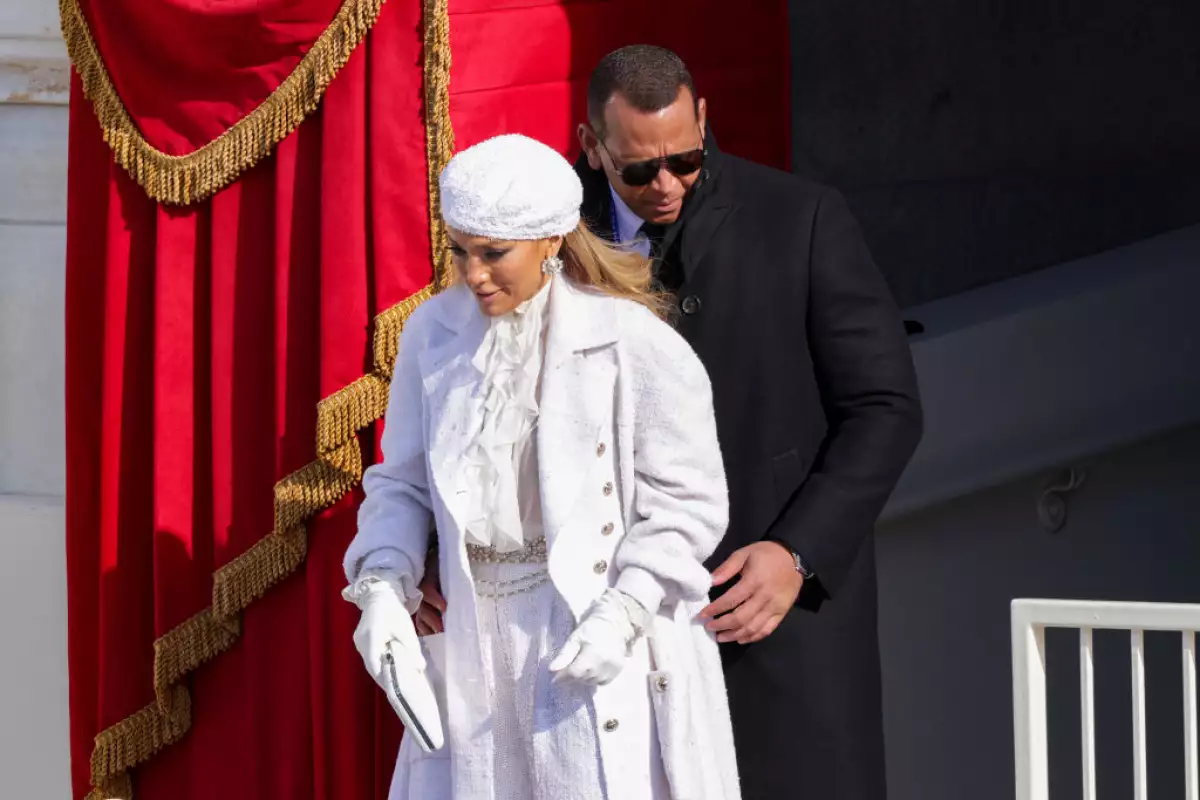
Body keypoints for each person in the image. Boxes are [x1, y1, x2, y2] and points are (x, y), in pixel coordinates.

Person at [569, 46, 924, 799]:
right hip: (606, 627)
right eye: (637, 170)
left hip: (775, 619)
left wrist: (797, 553)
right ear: (591, 146)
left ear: (703, 119)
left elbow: (885, 407)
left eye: (687, 158)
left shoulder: (803, 217)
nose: (665, 185)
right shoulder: (548, 234)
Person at [342, 133, 741, 800]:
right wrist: (382, 584)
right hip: (475, 634)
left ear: (552, 241)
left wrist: (626, 608)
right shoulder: (431, 335)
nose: (474, 274)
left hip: (591, 630)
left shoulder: (631, 342)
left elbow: (688, 504)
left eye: (494, 253)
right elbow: (402, 483)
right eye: (460, 251)